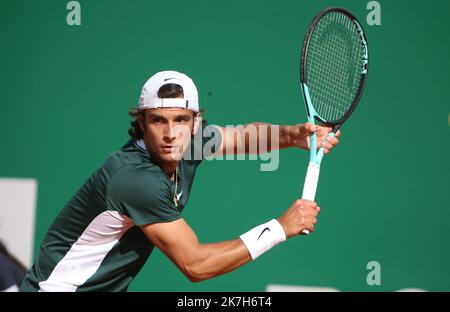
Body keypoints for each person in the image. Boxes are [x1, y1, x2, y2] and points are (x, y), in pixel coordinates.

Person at [20, 70, 340, 291]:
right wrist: (280, 228)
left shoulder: (189, 141)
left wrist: (295, 135)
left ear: (196, 121)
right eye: (159, 121)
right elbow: (196, 265)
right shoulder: (135, 179)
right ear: (141, 123)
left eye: (180, 121)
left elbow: (243, 137)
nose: (171, 134)